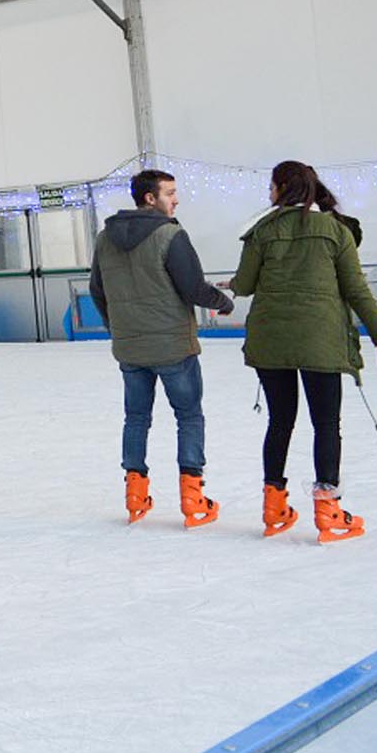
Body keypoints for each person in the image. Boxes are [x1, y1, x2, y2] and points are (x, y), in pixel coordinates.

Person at [226, 160, 377, 543]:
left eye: (271, 186)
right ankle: (329, 512)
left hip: (272, 340)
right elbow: (356, 289)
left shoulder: (263, 231)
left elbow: (248, 284)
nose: (268, 193)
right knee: (325, 423)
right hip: (320, 339)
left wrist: (234, 282)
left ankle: (274, 508)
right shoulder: (336, 231)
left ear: (283, 187)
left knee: (280, 421)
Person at [89, 169, 235, 528]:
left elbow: (97, 290)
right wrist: (224, 302)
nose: (177, 199)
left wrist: (120, 329)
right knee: (188, 415)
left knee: (136, 418)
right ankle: (192, 495)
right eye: (170, 193)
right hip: (172, 346)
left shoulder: (105, 238)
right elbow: (193, 288)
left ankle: (135, 494)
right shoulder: (171, 235)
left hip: (130, 349)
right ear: (150, 198)